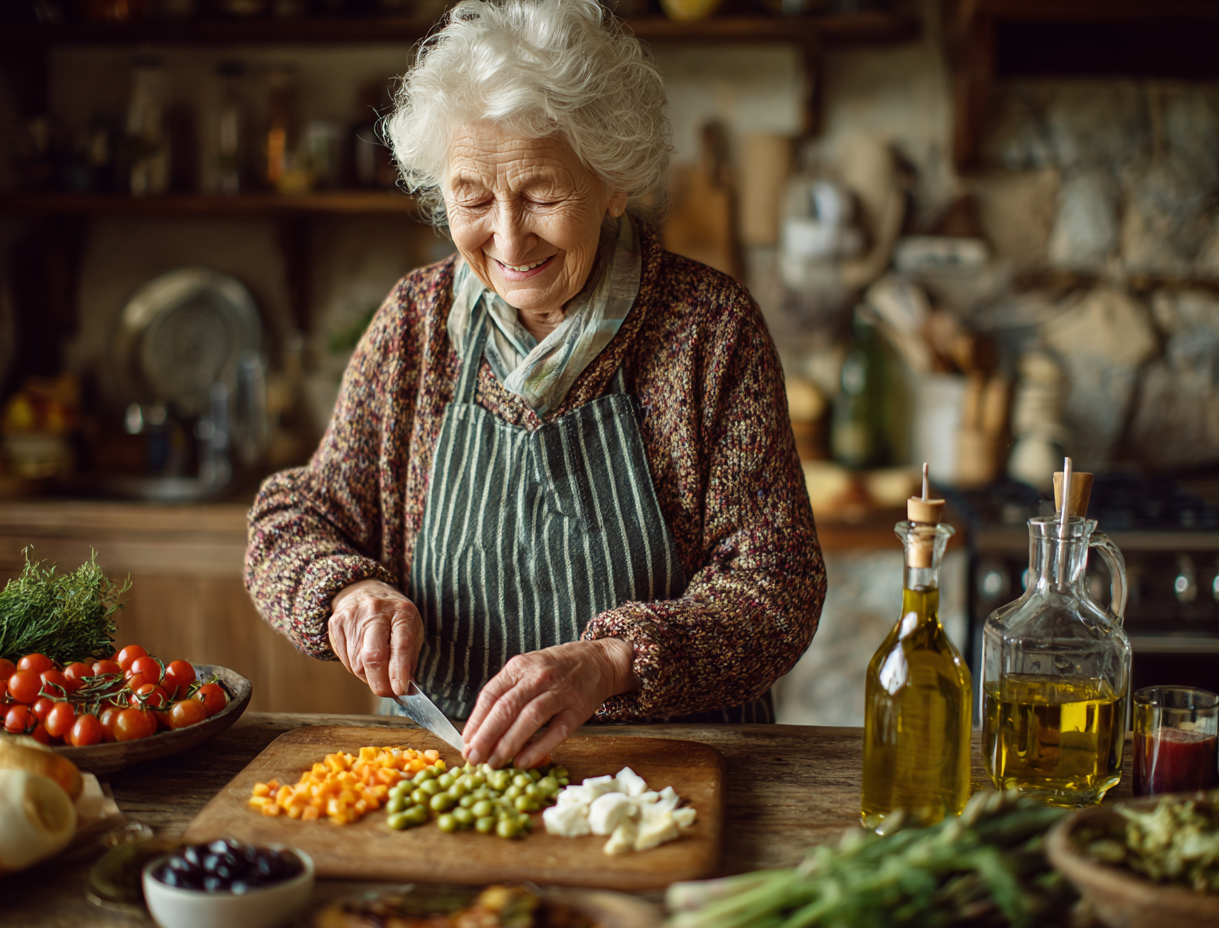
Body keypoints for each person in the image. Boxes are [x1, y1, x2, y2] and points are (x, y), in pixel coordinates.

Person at [245, 0, 826, 771]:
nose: (509, 238)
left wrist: (612, 662)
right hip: (448, 774)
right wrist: (345, 592)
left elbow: (775, 592)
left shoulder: (708, 331)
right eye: (473, 198)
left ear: (612, 180)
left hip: (666, 778)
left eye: (542, 194)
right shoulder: (414, 325)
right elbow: (294, 519)